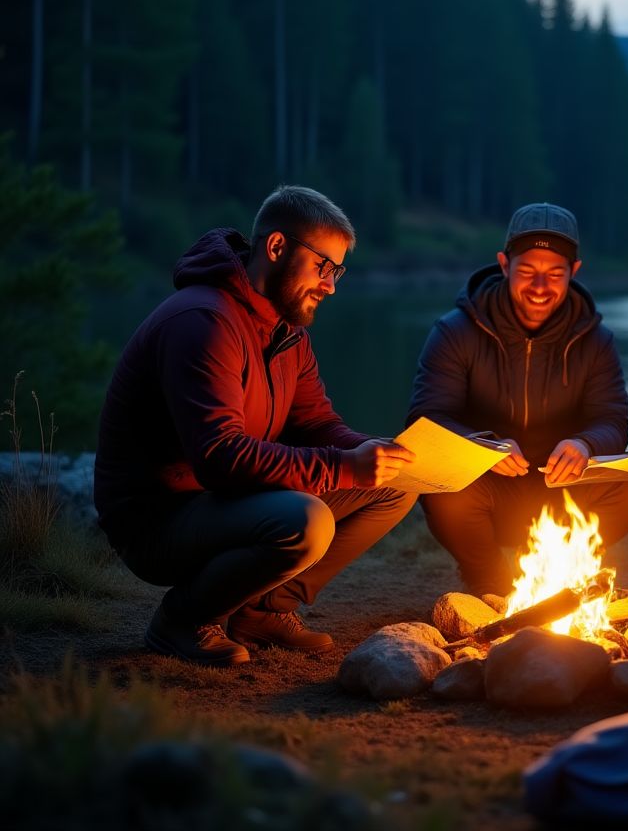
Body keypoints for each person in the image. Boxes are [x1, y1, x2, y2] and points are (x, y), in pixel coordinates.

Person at [94, 186, 417, 666]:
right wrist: (347, 466)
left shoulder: (286, 331)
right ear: (277, 247)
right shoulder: (203, 321)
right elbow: (220, 458)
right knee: (307, 522)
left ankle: (263, 611)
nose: (330, 286)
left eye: (336, 271)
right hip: (157, 520)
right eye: (323, 267)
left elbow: (316, 423)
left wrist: (383, 452)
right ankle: (181, 621)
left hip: (222, 502)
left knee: (398, 484)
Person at [406, 202, 628, 598]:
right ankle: (487, 579)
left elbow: (612, 419)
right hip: (488, 492)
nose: (540, 287)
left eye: (555, 274)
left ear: (574, 271)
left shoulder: (595, 341)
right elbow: (426, 420)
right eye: (527, 271)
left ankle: (562, 570)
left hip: (564, 488)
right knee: (441, 485)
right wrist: (483, 447)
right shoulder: (455, 332)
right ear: (504, 265)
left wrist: (584, 444)